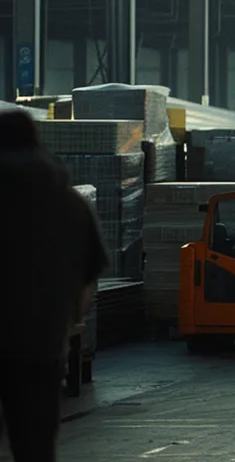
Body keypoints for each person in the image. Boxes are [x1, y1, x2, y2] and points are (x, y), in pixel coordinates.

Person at [0, 109, 107, 461]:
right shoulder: (70, 203)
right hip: (42, 343)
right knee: (36, 441)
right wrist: (65, 316)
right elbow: (90, 272)